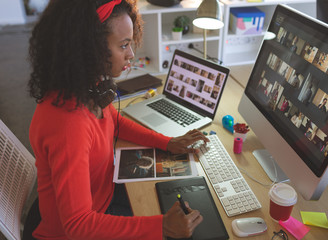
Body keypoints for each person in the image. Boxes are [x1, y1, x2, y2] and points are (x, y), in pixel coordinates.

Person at [28, 0, 207, 239]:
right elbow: (78, 225)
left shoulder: (85, 87)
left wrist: (167, 142)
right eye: (123, 45)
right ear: (89, 49)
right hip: (85, 226)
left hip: (105, 194)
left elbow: (115, 122)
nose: (131, 54)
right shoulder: (69, 124)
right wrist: (160, 226)